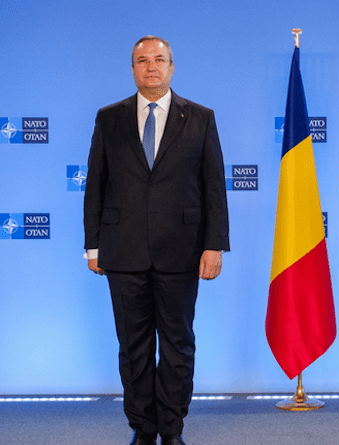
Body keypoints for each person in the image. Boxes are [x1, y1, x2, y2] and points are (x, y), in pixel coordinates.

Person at [84, 36, 230, 445]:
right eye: (142, 60)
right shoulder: (108, 118)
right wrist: (93, 246)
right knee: (133, 348)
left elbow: (214, 187)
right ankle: (143, 429)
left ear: (171, 67)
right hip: (122, 250)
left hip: (182, 251)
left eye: (159, 60)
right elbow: (95, 185)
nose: (151, 67)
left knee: (178, 346)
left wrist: (214, 245)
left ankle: (172, 429)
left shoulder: (200, 117)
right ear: (132, 69)